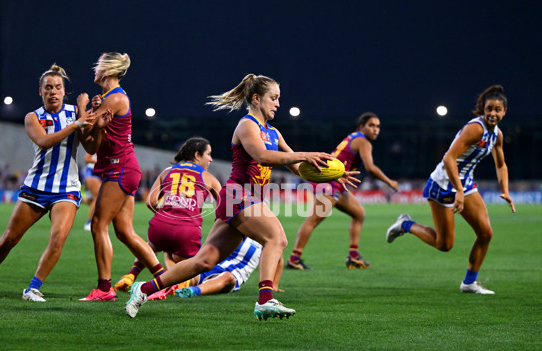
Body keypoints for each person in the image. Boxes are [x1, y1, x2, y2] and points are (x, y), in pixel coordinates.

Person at [126, 73, 359, 320]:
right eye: (274, 98)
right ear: (257, 99)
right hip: (239, 195)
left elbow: (299, 169)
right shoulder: (247, 125)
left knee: (203, 262)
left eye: (279, 99)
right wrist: (305, 154)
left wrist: (332, 176)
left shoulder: (274, 133)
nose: (278, 104)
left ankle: (143, 289)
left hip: (246, 199)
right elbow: (262, 157)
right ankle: (265, 299)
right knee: (277, 239)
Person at [0, 64, 98, 301]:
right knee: (9, 239)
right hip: (36, 188)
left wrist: (91, 117)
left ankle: (33, 288)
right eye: (48, 88)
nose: (53, 92)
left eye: (57, 87)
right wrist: (76, 124)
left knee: (58, 238)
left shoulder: (75, 112)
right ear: (40, 92)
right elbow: (45, 142)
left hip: (66, 189)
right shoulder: (32, 117)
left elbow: (91, 147)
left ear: (64, 90)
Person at [386, 85, 515, 295]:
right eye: (489, 108)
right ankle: (406, 224)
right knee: (444, 245)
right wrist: (459, 192)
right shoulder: (475, 129)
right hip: (443, 185)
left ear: (504, 112)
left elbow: (501, 165)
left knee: (485, 233)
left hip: (465, 185)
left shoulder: (497, 135)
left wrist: (506, 190)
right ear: (483, 108)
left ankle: (469, 283)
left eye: (497, 110)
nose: (493, 113)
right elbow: (448, 158)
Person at [78, 52, 164, 301]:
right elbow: (93, 142)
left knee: (97, 225)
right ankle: (163, 281)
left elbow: (89, 145)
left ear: (107, 70)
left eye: (98, 64)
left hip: (120, 168)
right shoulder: (108, 99)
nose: (94, 68)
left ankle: (104, 289)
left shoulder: (113, 99)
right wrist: (93, 112)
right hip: (124, 167)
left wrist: (83, 109)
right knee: (125, 232)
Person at [287, 112, 398, 270]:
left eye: (378, 126)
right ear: (361, 127)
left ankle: (353, 257)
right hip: (330, 184)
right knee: (312, 221)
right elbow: (370, 167)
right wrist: (389, 182)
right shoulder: (362, 141)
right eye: (371, 125)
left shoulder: (354, 137)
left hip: (334, 183)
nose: (375, 129)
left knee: (359, 214)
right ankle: (294, 259)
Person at [114, 137, 222, 292]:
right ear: (197, 155)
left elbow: (150, 202)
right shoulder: (208, 178)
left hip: (160, 227)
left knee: (152, 247)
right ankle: (181, 283)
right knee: (190, 265)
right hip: (188, 232)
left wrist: (169, 213)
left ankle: (130, 275)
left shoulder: (167, 171)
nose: (211, 159)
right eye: (209, 154)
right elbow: (225, 207)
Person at [147, 238, 266, 300]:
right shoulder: (240, 229)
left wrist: (274, 284)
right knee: (187, 272)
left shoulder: (267, 240)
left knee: (228, 278)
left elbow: (278, 260)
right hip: (212, 266)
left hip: (234, 275)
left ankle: (194, 291)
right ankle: (170, 282)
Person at [82, 152, 101, 231]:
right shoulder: (95, 142)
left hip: (101, 173)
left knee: (99, 200)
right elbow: (87, 158)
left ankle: (79, 199)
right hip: (92, 172)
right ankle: (89, 222)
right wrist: (101, 161)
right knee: (98, 197)